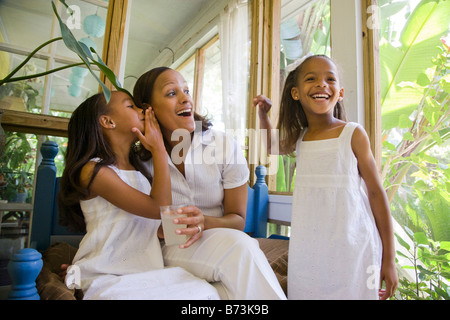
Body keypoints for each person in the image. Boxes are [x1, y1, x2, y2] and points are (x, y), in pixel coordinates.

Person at [132, 67, 287, 300]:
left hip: (221, 238)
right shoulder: (138, 161)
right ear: (148, 109)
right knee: (241, 247)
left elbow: (238, 219)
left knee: (223, 294)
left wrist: (204, 222)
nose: (186, 98)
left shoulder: (223, 146)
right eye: (171, 93)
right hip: (170, 249)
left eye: (186, 90)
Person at [253, 55, 398, 300]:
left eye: (330, 79)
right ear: (296, 93)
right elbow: (271, 146)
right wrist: (264, 115)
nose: (322, 84)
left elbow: (376, 193)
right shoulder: (300, 138)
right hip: (310, 252)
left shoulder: (352, 134)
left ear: (339, 92)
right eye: (312, 79)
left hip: (353, 249)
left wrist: (389, 259)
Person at [58, 91, 220, 299]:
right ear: (107, 121)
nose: (142, 111)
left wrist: (172, 228)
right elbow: (158, 208)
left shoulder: (139, 170)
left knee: (204, 293)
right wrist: (159, 149)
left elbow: (146, 221)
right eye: (130, 106)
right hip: (107, 273)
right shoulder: (93, 171)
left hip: (146, 271)